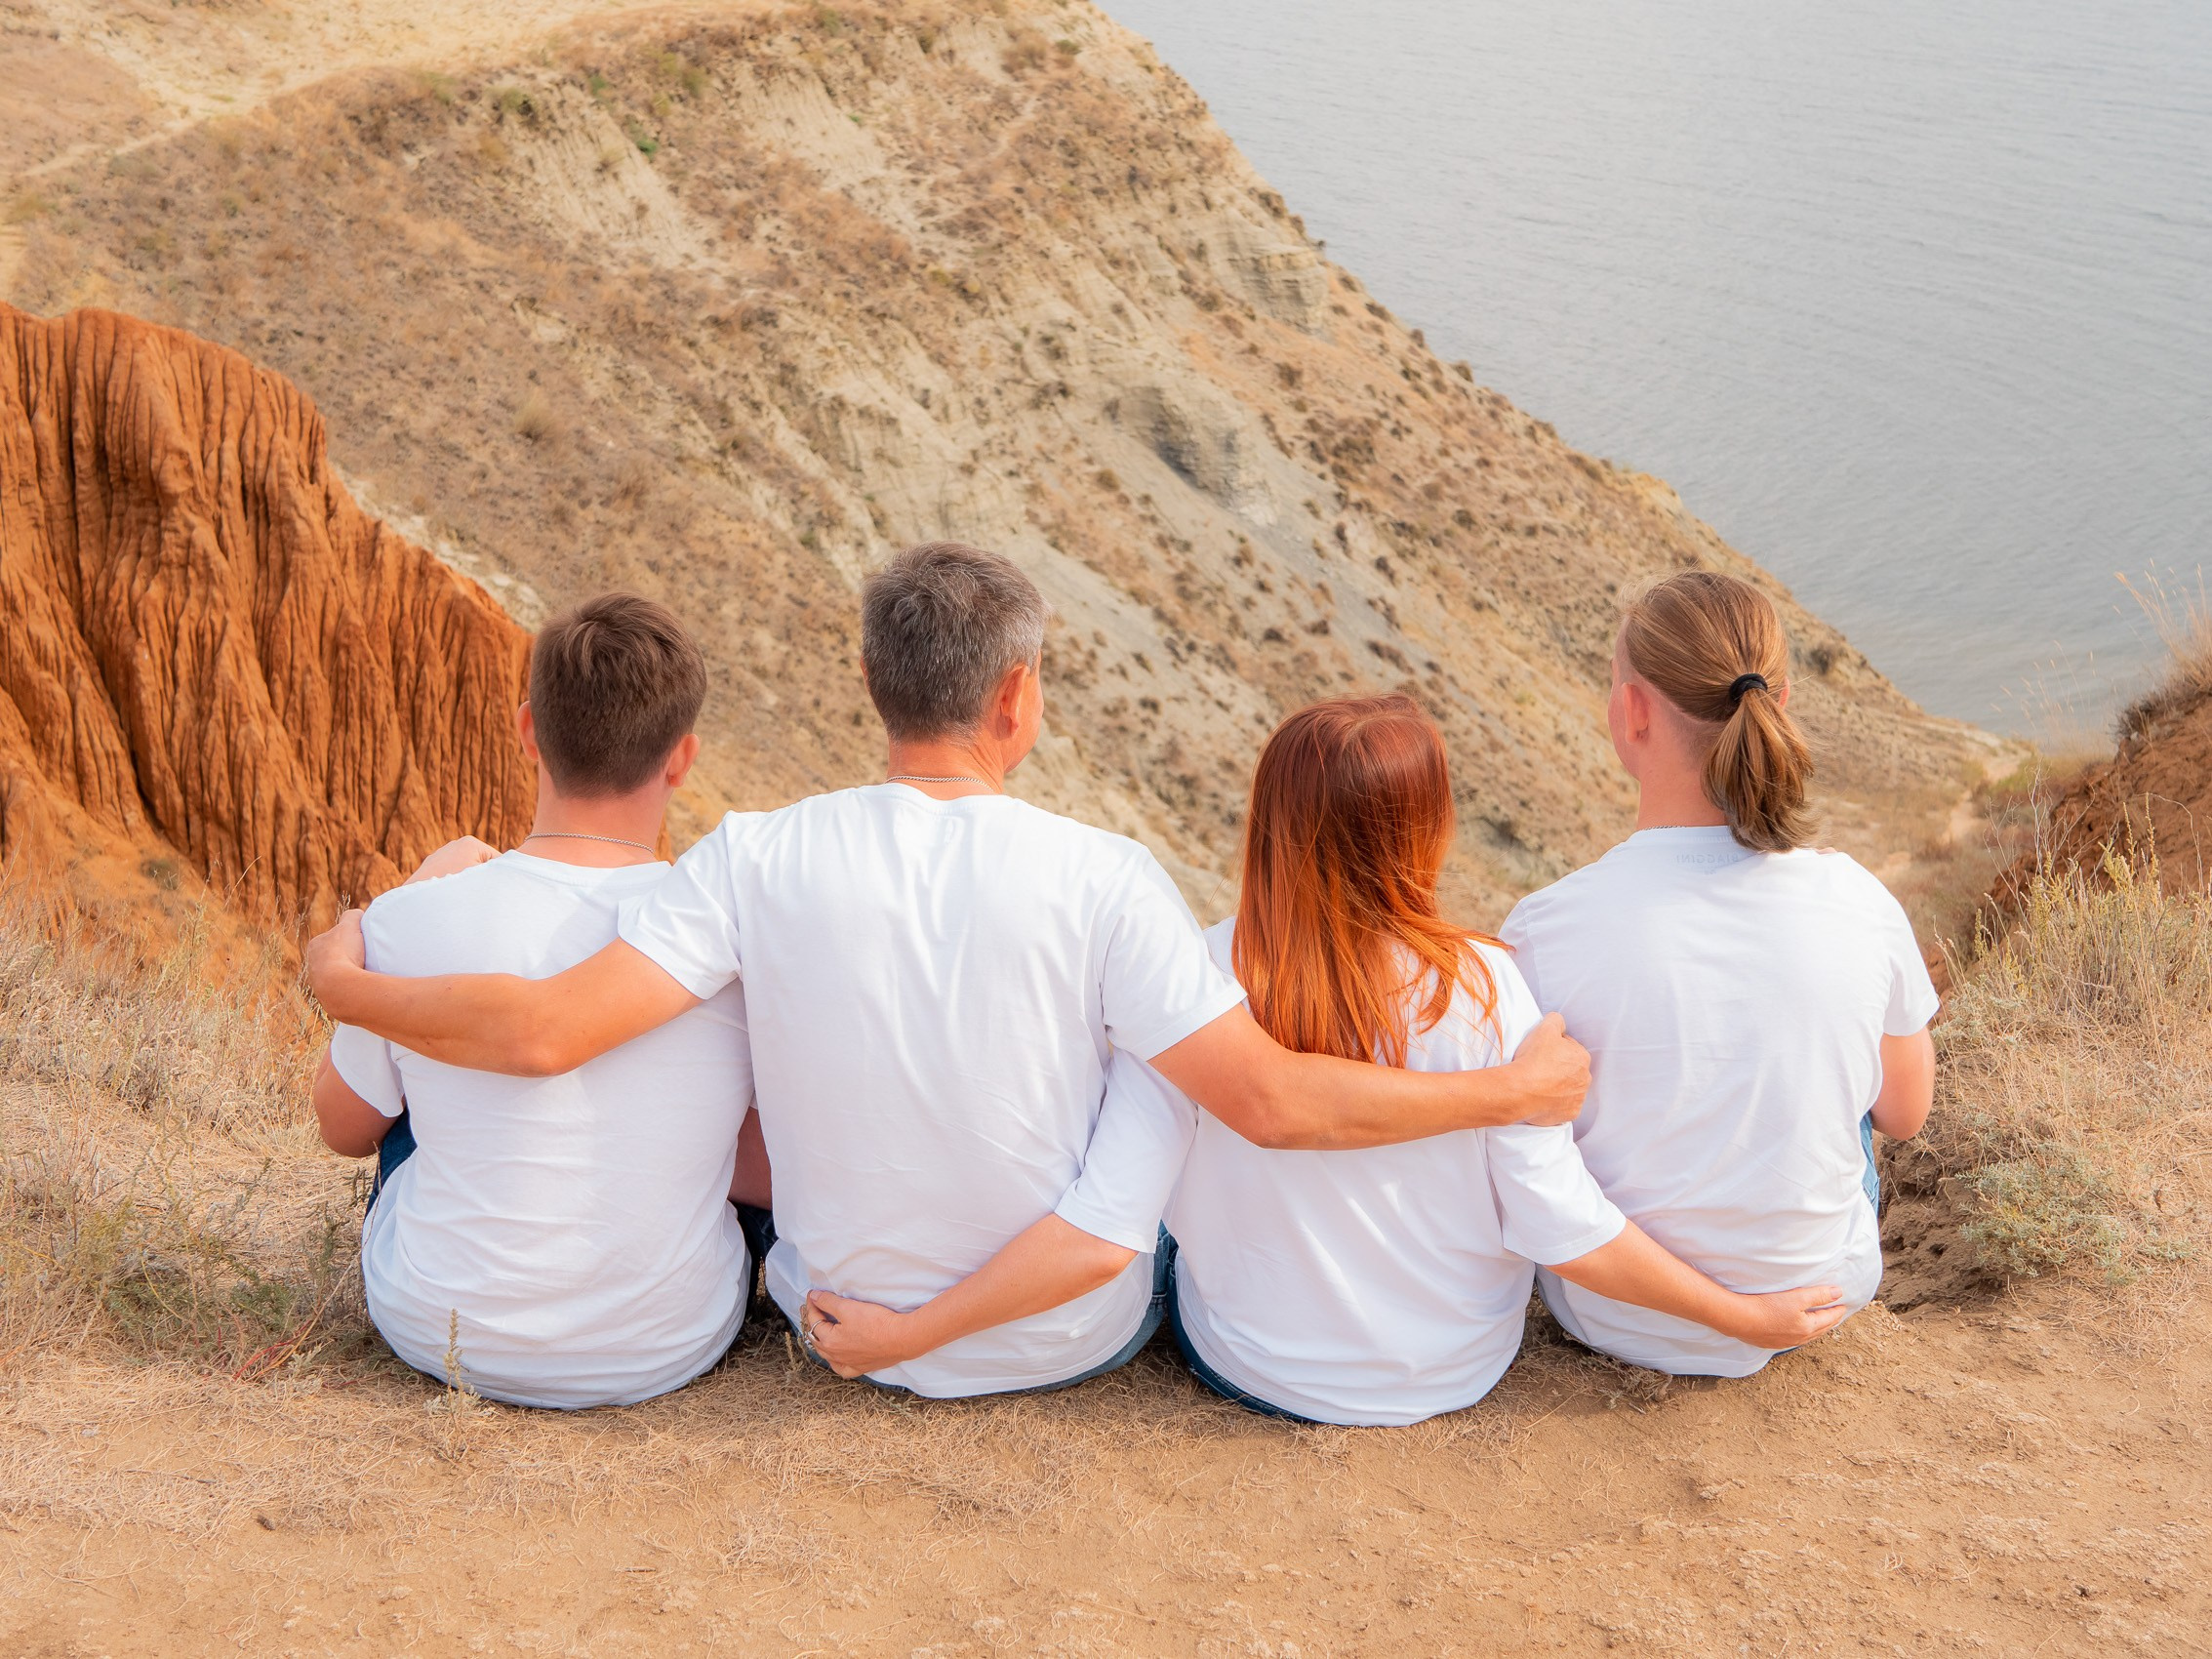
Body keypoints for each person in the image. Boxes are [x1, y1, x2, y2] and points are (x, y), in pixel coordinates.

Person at [306, 542, 1593, 1400]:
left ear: (869, 683)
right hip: (1063, 1341)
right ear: (1019, 698)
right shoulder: (1106, 876)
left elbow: (548, 1034)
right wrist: (1505, 1097)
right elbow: (1268, 1103)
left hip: (833, 1316)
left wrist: (352, 981)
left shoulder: (753, 858)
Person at [1139, 696, 1845, 1426]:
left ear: (1267, 822)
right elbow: (1562, 1226)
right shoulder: (1483, 988)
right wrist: (1740, 1317)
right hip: (1455, 1362)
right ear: (1427, 828)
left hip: (1256, 1362)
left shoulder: (1200, 974)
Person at [309, 594, 770, 1409]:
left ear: (529, 730)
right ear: (682, 758)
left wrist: (407, 901)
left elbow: (344, 1129)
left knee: (412, 1088)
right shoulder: (725, 938)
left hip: (432, 1329)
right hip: (668, 1344)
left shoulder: (414, 917)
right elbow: (762, 1170)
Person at [1501, 570, 1939, 1378]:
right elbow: (1904, 1114)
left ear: (1632, 712)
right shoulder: (1856, 898)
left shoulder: (1543, 929)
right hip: (1820, 1297)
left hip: (1613, 1314)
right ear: (1778, 703)